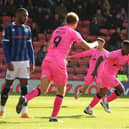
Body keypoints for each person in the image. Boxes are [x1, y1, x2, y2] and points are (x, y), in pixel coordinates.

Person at [16, 12, 98, 122]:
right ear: (76, 23)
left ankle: (25, 98)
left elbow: (50, 44)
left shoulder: (57, 30)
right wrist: (95, 44)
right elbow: (87, 47)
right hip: (58, 61)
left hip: (48, 59)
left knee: (43, 89)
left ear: (65, 21)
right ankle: (54, 117)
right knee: (61, 91)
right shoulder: (72, 32)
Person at [0, 8, 35, 118]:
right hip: (13, 62)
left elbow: (30, 47)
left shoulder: (27, 29)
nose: (26, 18)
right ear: (17, 15)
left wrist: (32, 61)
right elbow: (5, 47)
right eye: (24, 16)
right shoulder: (9, 29)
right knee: (7, 86)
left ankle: (24, 112)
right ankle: (2, 110)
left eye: (27, 16)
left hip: (24, 62)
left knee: (24, 87)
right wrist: (8, 61)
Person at [84, 40, 129, 116]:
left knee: (101, 93)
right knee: (121, 90)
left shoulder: (127, 55)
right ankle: (106, 102)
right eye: (128, 48)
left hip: (109, 75)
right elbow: (101, 58)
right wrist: (95, 71)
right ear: (123, 47)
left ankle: (89, 108)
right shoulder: (115, 54)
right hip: (106, 75)